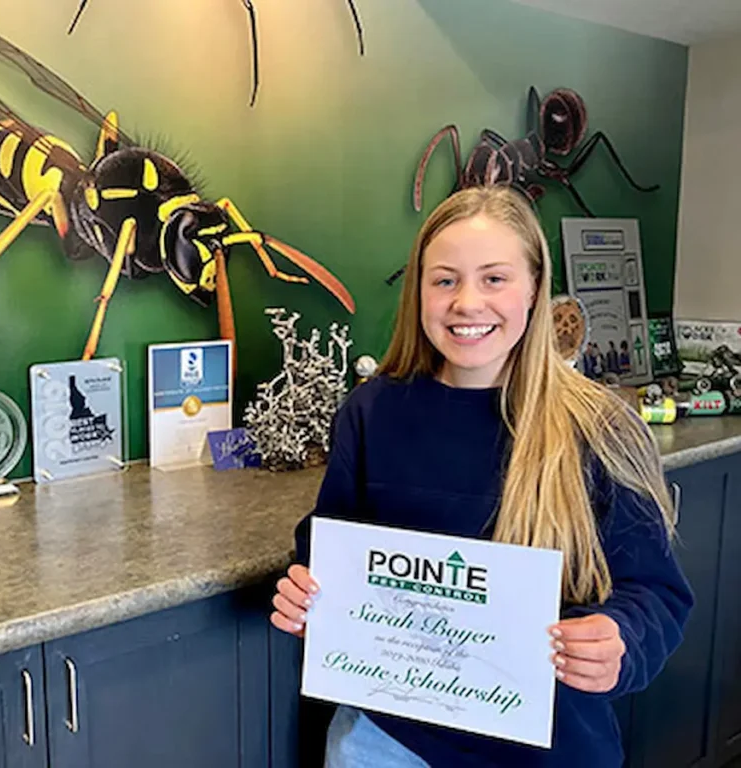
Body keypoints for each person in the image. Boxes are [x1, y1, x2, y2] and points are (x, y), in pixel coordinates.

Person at [270, 186, 693, 767]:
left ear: (535, 288)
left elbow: (656, 592)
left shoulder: (600, 427)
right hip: (384, 741)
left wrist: (621, 637)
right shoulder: (371, 412)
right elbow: (330, 545)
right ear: (419, 291)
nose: (467, 302)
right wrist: (308, 594)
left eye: (494, 278)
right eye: (445, 280)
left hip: (547, 743)